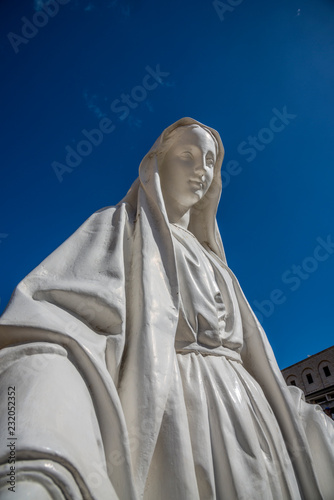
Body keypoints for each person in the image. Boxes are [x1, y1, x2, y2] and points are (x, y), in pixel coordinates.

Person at [0, 118, 333, 500]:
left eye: (209, 161)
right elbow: (57, 325)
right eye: (187, 157)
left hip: (256, 425)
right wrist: (28, 443)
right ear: (158, 164)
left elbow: (262, 372)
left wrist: (309, 421)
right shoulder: (121, 228)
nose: (201, 171)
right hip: (179, 416)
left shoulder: (219, 266)